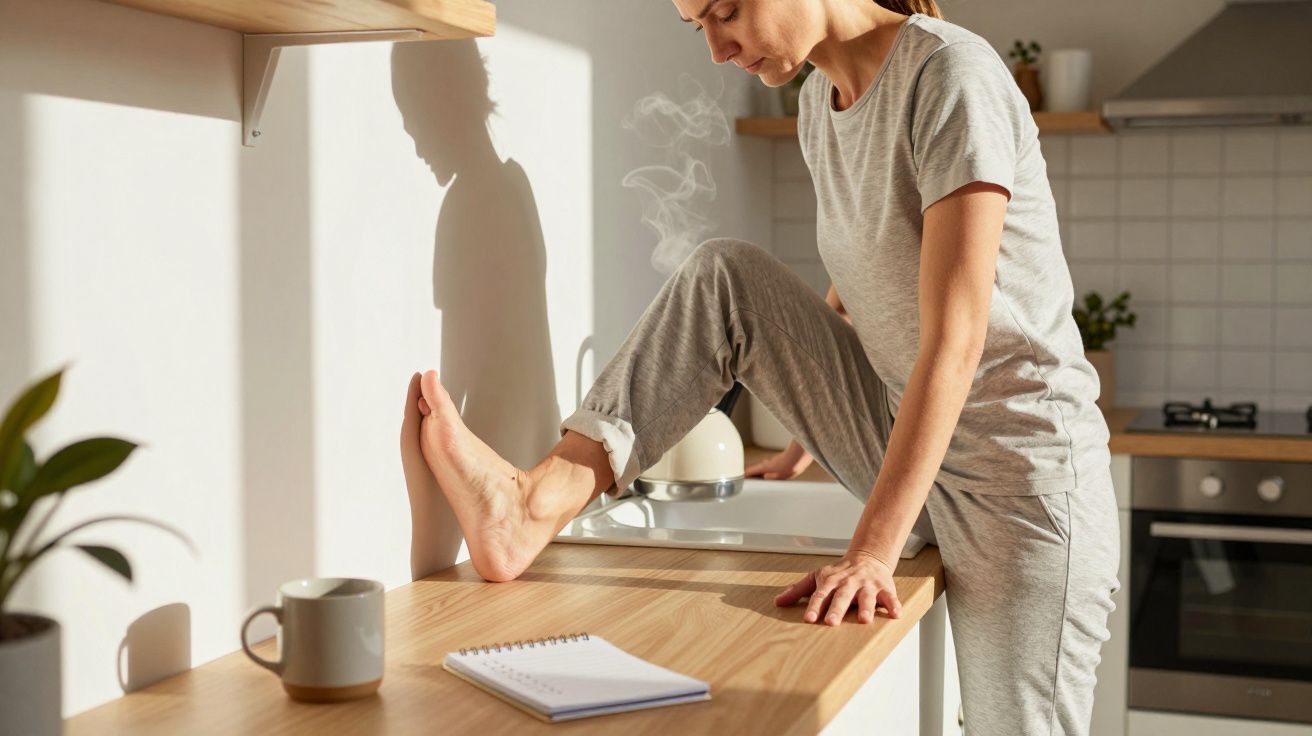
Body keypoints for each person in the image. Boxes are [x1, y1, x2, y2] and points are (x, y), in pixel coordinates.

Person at [406, 1, 1120, 733]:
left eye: (727, 11)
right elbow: (872, 271)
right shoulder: (819, 102)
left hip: (1021, 489)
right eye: (698, 27)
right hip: (924, 455)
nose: (718, 49)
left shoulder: (950, 76)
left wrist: (871, 551)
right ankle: (530, 506)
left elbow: (955, 338)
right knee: (727, 276)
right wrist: (811, 426)